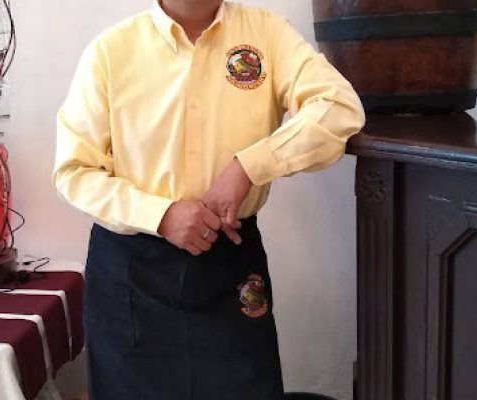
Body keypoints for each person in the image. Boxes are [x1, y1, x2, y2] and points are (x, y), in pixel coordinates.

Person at [54, 0, 365, 398]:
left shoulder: (269, 35)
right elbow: (75, 171)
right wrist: (162, 215)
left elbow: (339, 108)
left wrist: (250, 166)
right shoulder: (110, 51)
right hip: (131, 274)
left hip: (229, 263)